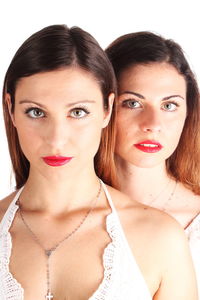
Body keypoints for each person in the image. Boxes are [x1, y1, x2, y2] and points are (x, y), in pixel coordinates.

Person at [0, 25, 197, 300]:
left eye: (78, 112)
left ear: (106, 110)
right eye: (35, 112)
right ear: (10, 109)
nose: (57, 139)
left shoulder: (161, 237)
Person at [106, 31, 200, 295]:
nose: (152, 125)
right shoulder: (69, 214)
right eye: (133, 103)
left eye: (169, 106)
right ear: (104, 108)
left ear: (187, 113)